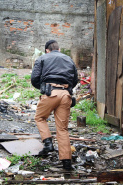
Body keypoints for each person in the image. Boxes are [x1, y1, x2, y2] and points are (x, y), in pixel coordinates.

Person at [31, 40, 78, 170]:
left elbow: (34, 78)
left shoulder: (42, 58)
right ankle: (67, 163)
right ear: (59, 48)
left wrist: (43, 87)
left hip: (50, 93)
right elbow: (75, 80)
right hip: (65, 95)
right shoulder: (68, 59)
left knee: (40, 118)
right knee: (62, 129)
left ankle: (47, 143)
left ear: (47, 50)